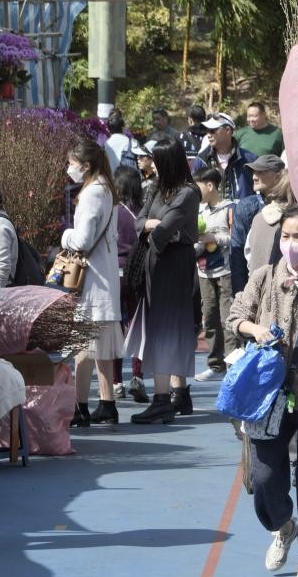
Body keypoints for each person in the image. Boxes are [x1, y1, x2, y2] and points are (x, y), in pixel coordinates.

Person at [227, 207, 298, 577]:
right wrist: (255, 329)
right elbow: (235, 316)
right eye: (287, 237)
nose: (292, 245)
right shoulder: (263, 277)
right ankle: (284, 525)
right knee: (264, 474)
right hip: (267, 393)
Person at [126, 139, 200, 423]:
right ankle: (172, 396)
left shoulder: (187, 192)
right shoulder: (159, 187)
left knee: (165, 329)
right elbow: (140, 221)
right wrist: (152, 225)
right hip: (156, 263)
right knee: (160, 328)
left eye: (156, 161)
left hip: (173, 264)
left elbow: (164, 229)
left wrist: (153, 227)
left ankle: (161, 400)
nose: (151, 166)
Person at [63, 137, 122, 427]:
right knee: (100, 346)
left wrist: (64, 236)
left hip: (92, 279)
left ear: (85, 165)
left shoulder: (91, 193)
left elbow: (83, 240)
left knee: (83, 346)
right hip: (104, 274)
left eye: (72, 164)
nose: (69, 168)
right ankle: (106, 402)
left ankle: (80, 405)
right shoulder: (106, 188)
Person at [193, 167, 238, 382]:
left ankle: (231, 365)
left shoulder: (230, 208)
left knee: (227, 318)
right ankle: (215, 364)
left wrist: (215, 238)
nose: (196, 191)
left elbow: (235, 239)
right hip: (204, 272)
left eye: (199, 186)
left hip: (225, 271)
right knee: (209, 318)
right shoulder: (200, 211)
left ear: (210, 186)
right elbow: (197, 241)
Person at [111, 166, 149, 403]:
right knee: (139, 328)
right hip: (138, 272)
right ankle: (138, 377)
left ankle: (116, 382)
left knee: (115, 328)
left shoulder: (112, 211)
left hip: (114, 272)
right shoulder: (143, 212)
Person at [229, 154, 288, 293]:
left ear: (278, 176)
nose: (254, 177)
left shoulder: (292, 206)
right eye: (253, 172)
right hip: (254, 286)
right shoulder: (246, 207)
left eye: (261, 172)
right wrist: (240, 293)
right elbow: (237, 253)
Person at [193, 112, 258, 201]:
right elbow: (194, 192)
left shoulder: (250, 160)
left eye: (212, 130)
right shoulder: (201, 160)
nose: (208, 134)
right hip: (210, 214)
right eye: (207, 131)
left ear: (227, 130)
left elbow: (259, 192)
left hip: (241, 213)